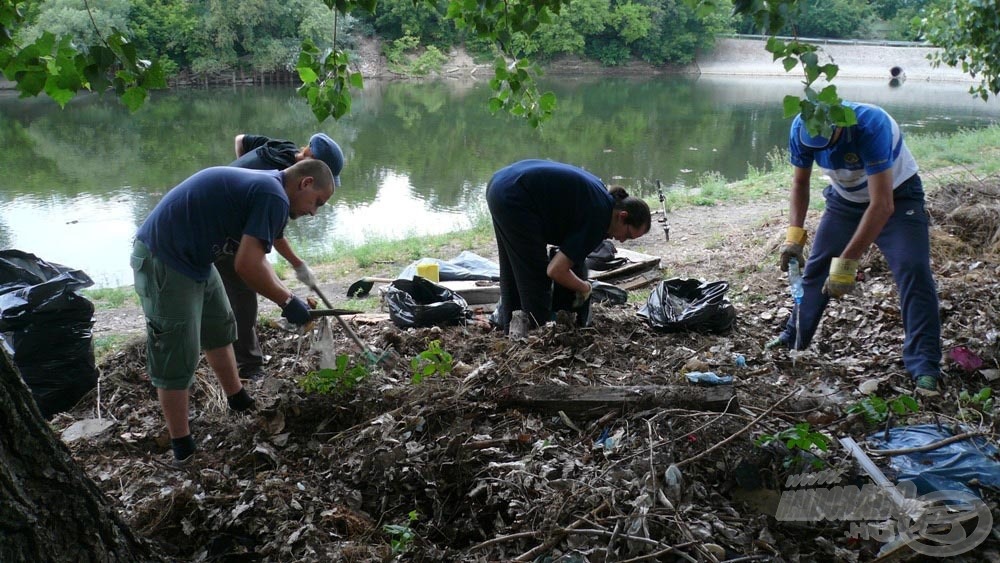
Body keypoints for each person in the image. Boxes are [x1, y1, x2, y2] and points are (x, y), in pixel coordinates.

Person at [130, 159, 335, 464]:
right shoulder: (274, 196)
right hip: (166, 257)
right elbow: (246, 266)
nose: (313, 212)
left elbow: (261, 258)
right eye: (317, 202)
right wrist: (286, 302)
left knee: (219, 326)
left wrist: (291, 295)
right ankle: (182, 447)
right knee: (177, 352)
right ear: (305, 183)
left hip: (196, 260)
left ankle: (238, 399)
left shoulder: (274, 190)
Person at [767, 101, 942, 395]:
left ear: (839, 125)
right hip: (845, 200)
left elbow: (882, 205)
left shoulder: (870, 125)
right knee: (818, 266)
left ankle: (924, 365)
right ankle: (794, 336)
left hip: (898, 198)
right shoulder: (800, 126)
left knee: (913, 269)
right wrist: (794, 238)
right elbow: (800, 183)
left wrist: (847, 265)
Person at [220, 133, 345, 380]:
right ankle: (249, 367)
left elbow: (240, 140)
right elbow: (273, 236)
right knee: (244, 296)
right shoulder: (276, 182)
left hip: (226, 216)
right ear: (310, 165)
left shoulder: (282, 148)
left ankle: (229, 350)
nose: (314, 212)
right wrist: (289, 296)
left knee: (255, 273)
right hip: (221, 228)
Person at [486, 159, 651, 332]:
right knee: (534, 280)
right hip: (515, 197)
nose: (622, 240)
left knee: (512, 271)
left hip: (501, 184)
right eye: (628, 234)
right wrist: (585, 288)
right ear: (622, 216)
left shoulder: (603, 200)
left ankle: (511, 331)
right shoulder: (599, 218)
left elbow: (572, 256)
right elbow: (555, 270)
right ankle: (536, 337)